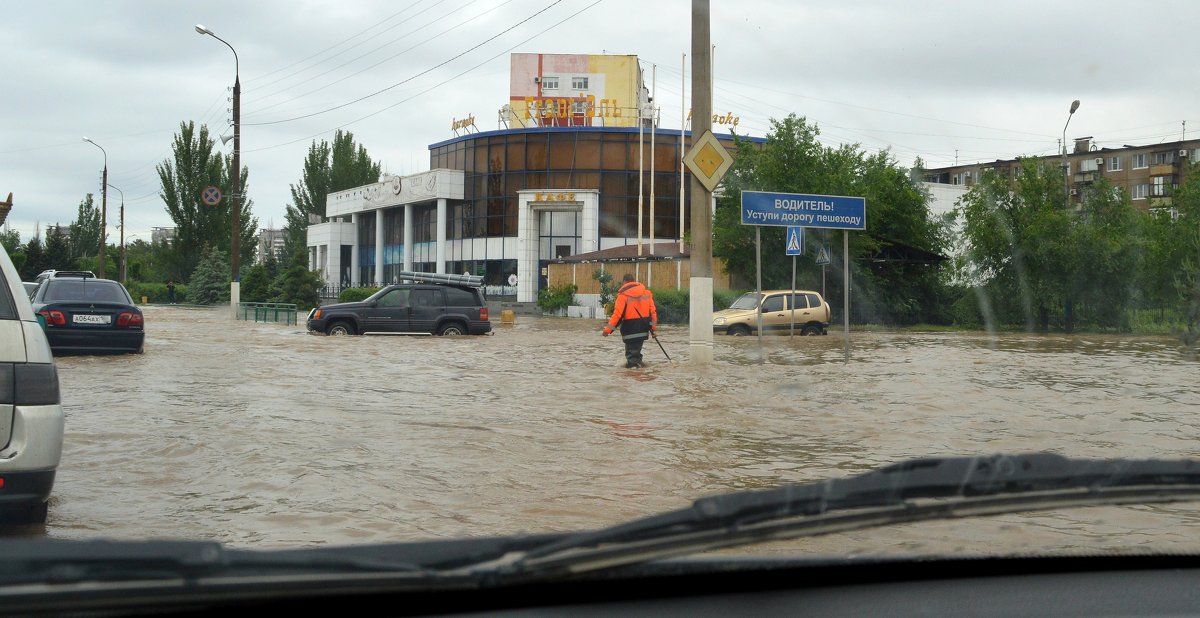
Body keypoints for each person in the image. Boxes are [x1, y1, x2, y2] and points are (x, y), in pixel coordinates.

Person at [602, 273, 658, 368]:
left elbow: (617, 316)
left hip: (630, 331)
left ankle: (633, 379)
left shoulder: (623, 296)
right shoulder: (647, 293)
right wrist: (653, 328)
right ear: (634, 281)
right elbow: (653, 313)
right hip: (643, 330)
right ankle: (642, 376)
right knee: (636, 356)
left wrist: (607, 330)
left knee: (632, 361)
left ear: (625, 282)